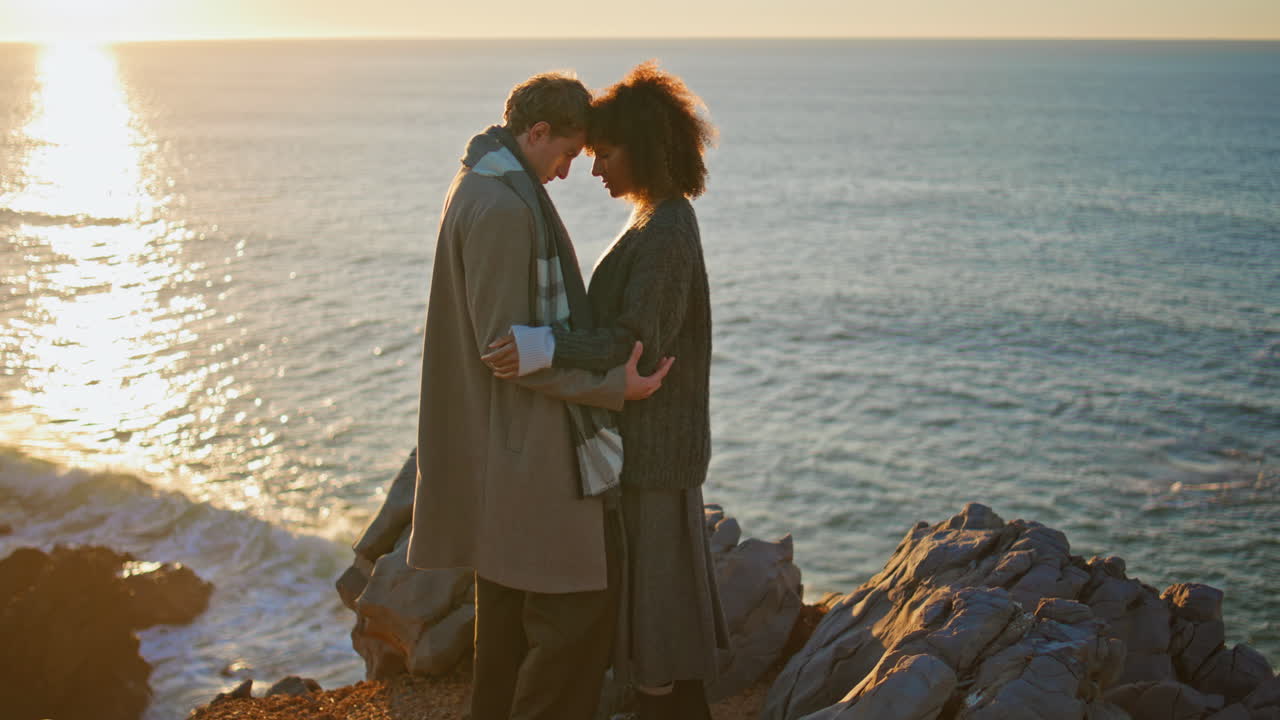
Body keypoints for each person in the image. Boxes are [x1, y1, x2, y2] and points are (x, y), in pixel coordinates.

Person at [407, 71, 673, 720]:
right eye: (566, 155)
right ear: (537, 132)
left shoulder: (486, 181)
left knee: (502, 623)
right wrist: (617, 385)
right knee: (573, 618)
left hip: (500, 447)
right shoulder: (501, 207)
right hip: (526, 447)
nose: (566, 173)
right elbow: (509, 353)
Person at [483, 62, 726, 720]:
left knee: (659, 637)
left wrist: (546, 346)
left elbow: (634, 340)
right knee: (652, 627)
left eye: (605, 155)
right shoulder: (654, 221)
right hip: (643, 451)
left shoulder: (669, 230)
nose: (593, 171)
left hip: (657, 458)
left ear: (641, 151)